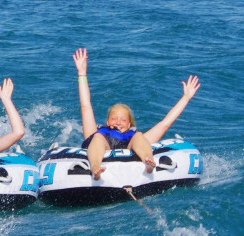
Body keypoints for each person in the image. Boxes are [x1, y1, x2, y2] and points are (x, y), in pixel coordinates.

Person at [73, 48, 201, 180]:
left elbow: (165, 124)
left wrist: (185, 98)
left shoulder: (133, 137)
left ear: (129, 124)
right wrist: (82, 73)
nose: (118, 122)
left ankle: (148, 161)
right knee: (98, 138)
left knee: (140, 136)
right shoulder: (95, 134)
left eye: (123, 120)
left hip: (132, 150)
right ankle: (95, 168)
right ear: (107, 122)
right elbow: (85, 105)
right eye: (114, 118)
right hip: (100, 150)